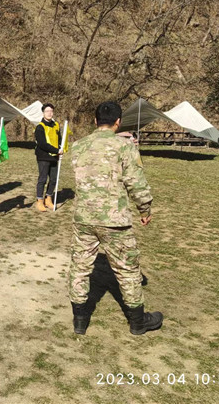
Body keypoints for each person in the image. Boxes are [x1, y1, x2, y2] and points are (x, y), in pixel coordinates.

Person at [69, 101, 162, 336]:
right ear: (118, 122)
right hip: (115, 220)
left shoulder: (78, 146)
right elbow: (136, 181)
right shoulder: (124, 147)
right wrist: (145, 208)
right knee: (127, 270)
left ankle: (80, 319)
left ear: (94, 120)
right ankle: (138, 322)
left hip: (84, 217)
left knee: (80, 267)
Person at [34, 103, 63, 212]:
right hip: (43, 156)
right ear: (43, 113)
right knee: (42, 179)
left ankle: (49, 198)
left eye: (51, 111)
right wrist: (56, 150)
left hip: (54, 157)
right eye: (47, 111)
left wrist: (60, 148)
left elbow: (59, 139)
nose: (49, 113)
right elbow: (42, 144)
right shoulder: (40, 127)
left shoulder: (56, 125)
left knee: (54, 179)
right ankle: (40, 200)